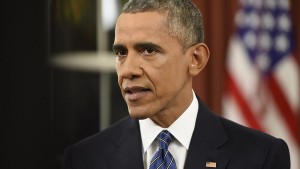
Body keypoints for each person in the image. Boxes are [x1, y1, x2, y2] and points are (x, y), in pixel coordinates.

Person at [62, 0, 290, 168]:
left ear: (195, 59)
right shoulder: (83, 159)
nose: (128, 70)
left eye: (148, 50)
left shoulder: (262, 157)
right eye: (121, 52)